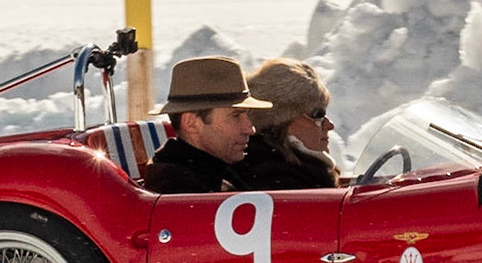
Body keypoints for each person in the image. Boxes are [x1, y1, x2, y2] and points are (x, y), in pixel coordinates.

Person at [140, 57, 271, 193]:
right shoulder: (180, 188)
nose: (250, 129)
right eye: (236, 115)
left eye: (247, 115)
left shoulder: (216, 169)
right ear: (191, 123)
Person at [239, 58, 342, 190]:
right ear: (280, 122)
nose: (329, 125)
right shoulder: (280, 182)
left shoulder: (292, 171)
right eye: (318, 114)